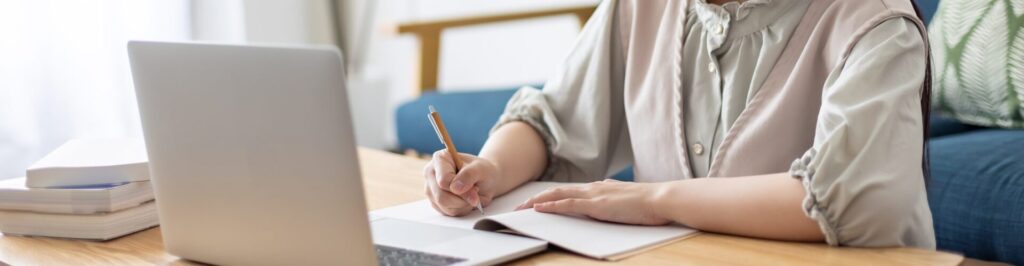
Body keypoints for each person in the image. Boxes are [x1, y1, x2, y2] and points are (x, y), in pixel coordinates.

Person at [422, 0, 936, 248]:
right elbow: (555, 120)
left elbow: (854, 202)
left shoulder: (877, 25)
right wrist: (489, 167)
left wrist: (654, 200)